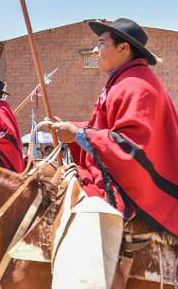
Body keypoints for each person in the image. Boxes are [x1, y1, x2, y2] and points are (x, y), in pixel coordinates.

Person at [50, 18, 178, 289]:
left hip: (145, 188)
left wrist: (77, 135)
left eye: (101, 43)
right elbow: (106, 130)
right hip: (120, 173)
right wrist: (74, 129)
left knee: (90, 213)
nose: (96, 51)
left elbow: (131, 145)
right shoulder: (124, 80)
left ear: (123, 49)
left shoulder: (137, 84)